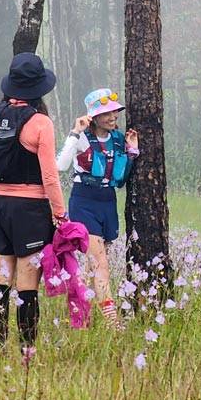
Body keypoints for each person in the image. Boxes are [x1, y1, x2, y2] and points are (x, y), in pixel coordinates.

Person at [0, 52, 67, 350]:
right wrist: (60, 215)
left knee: (0, 278)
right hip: (31, 211)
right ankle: (26, 351)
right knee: (28, 285)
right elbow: (50, 176)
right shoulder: (41, 123)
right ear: (39, 89)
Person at [57, 89, 139, 329]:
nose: (113, 116)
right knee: (100, 262)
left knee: (93, 266)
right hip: (84, 201)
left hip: (107, 202)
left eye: (114, 111)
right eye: (106, 113)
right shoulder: (82, 138)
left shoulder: (118, 139)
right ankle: (112, 321)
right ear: (93, 116)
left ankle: (81, 314)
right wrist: (75, 131)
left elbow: (121, 177)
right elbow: (61, 165)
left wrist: (132, 152)